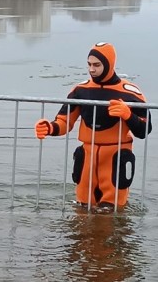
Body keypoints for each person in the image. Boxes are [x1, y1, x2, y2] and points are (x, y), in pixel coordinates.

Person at [34, 42, 151, 209]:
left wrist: (128, 115)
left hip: (115, 157)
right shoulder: (80, 90)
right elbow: (64, 121)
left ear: (109, 64)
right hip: (87, 157)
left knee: (112, 212)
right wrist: (49, 128)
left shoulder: (130, 93)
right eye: (89, 64)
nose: (91, 69)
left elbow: (144, 130)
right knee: (82, 208)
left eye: (97, 65)